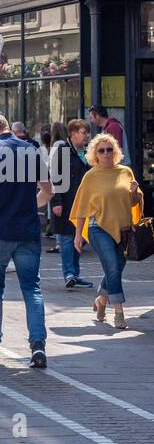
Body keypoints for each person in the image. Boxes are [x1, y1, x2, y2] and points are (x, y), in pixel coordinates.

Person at [0, 112, 53, 368]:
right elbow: (48, 190)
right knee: (32, 288)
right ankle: (37, 344)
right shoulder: (32, 150)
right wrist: (31, 205)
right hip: (28, 230)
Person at [71, 132, 142, 330]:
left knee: (116, 268)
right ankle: (119, 312)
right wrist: (78, 235)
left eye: (109, 149)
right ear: (95, 154)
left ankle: (101, 300)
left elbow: (135, 202)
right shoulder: (91, 176)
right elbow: (81, 207)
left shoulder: (125, 172)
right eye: (101, 150)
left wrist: (135, 192)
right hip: (98, 228)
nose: (106, 153)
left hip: (124, 229)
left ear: (115, 151)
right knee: (112, 266)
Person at [48, 120, 93, 287]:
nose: (86, 136)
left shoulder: (87, 153)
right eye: (83, 132)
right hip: (66, 201)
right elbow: (55, 178)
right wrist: (56, 201)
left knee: (80, 237)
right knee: (67, 238)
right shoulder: (63, 152)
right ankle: (69, 274)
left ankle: (75, 273)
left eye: (87, 132)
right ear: (73, 134)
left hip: (83, 202)